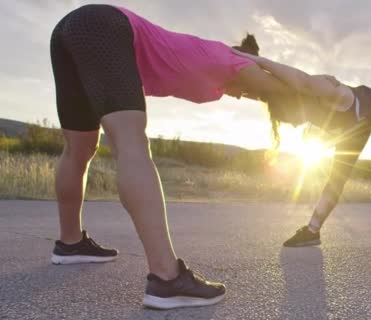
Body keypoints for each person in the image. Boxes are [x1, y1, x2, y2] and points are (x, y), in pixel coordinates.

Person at [49, 4, 314, 309]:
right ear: (245, 59)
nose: (243, 96)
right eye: (245, 89)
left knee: (80, 147)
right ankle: (167, 278)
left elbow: (255, 91)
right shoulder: (234, 62)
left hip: (72, 28)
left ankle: (69, 245)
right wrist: (331, 98)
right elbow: (287, 90)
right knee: (131, 142)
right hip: (105, 27)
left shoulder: (214, 60)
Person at [233, 36, 371, 268]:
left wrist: (255, 58)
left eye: (290, 119)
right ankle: (312, 231)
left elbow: (302, 80)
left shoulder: (325, 91)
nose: (294, 125)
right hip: (354, 126)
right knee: (336, 178)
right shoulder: (302, 108)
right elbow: (255, 90)